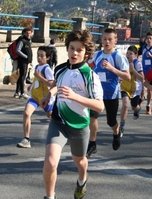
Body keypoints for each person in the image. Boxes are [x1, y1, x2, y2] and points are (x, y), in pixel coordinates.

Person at [41, 30, 104, 199]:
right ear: (67, 48)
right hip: (58, 121)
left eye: (79, 50)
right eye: (71, 48)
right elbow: (57, 83)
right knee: (51, 162)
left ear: (86, 53)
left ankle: (82, 180)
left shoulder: (90, 76)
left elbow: (100, 106)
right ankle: (49, 196)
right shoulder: (60, 69)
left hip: (79, 126)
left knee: (80, 161)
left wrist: (75, 96)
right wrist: (49, 95)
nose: (74, 53)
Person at [86, 28, 130, 158]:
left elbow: (127, 76)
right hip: (96, 93)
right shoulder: (97, 55)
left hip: (111, 94)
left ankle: (116, 134)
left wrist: (111, 68)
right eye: (104, 39)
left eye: (110, 39)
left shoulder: (118, 57)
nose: (107, 42)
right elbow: (88, 68)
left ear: (115, 40)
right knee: (92, 117)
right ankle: (92, 143)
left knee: (111, 121)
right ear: (101, 40)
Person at [17, 46, 55, 148]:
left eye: (42, 56)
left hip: (45, 98)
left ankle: (66, 129)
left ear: (47, 57)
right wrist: (32, 85)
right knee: (26, 113)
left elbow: (52, 84)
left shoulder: (47, 69)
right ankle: (26, 139)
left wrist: (40, 77)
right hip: (35, 97)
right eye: (38, 55)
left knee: (51, 116)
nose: (39, 58)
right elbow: (37, 80)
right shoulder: (38, 67)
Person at [119, 46, 144, 136]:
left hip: (135, 89)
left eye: (131, 54)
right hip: (125, 87)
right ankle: (122, 126)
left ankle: (137, 108)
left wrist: (133, 70)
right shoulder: (123, 62)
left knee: (134, 107)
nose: (128, 55)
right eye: (127, 53)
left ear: (136, 55)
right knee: (125, 105)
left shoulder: (137, 63)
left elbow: (142, 78)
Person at [14, 27, 33, 99]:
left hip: (26, 61)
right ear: (24, 33)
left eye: (30, 33)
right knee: (23, 77)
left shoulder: (29, 41)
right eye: (27, 33)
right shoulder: (22, 41)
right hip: (22, 61)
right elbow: (17, 50)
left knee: (22, 76)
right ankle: (22, 92)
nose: (28, 34)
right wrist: (25, 57)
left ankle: (17, 92)